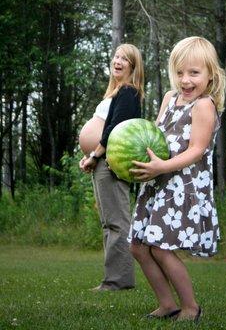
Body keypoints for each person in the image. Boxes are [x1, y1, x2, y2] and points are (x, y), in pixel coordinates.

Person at [128, 36, 226, 321]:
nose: (185, 80)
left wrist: (162, 167)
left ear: (210, 75)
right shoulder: (170, 98)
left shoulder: (204, 106)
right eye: (180, 72)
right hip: (157, 181)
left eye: (194, 73)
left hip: (181, 186)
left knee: (161, 247)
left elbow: (196, 150)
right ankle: (167, 304)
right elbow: (156, 135)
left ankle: (191, 307)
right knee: (138, 245)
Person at [79, 43, 144, 291]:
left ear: (133, 66)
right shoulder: (117, 92)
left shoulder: (128, 91)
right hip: (100, 162)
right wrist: (89, 156)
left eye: (124, 59)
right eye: (116, 56)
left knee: (117, 222)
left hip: (109, 163)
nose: (118, 61)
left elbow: (116, 130)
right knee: (109, 223)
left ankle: (118, 281)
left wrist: (95, 155)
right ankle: (114, 279)